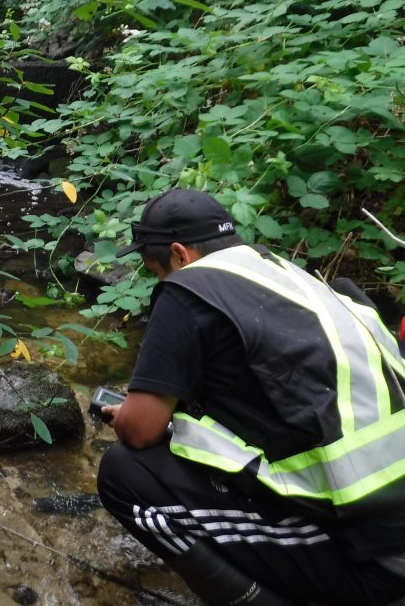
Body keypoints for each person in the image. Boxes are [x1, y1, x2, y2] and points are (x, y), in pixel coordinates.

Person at [95, 188, 405, 606]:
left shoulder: (189, 290)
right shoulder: (300, 281)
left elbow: (139, 431)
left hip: (375, 563)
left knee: (124, 474)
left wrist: (134, 414)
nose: (161, 282)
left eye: (156, 271)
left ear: (180, 254)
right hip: (382, 525)